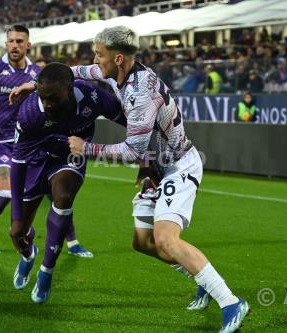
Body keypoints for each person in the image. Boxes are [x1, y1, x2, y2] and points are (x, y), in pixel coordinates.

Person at [65, 26, 249, 333]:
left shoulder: (140, 93)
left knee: (165, 239)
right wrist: (38, 83)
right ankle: (200, 276)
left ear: (119, 58)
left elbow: (130, 150)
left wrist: (87, 148)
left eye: (100, 53)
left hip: (178, 165)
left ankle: (231, 302)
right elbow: (83, 70)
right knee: (143, 242)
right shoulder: (119, 71)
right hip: (156, 166)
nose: (95, 59)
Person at [0, 25, 92, 258]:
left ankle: (73, 242)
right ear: (6, 44)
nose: (15, 45)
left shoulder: (38, 73)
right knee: (6, 193)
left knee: (57, 191)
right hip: (1, 142)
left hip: (35, 143)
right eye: (11, 41)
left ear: (28, 45)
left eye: (20, 41)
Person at [9, 63, 126, 303]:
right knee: (18, 232)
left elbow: (127, 119)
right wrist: (17, 216)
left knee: (63, 196)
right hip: (35, 161)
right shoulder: (30, 112)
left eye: (53, 98)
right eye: (43, 97)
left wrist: (150, 151)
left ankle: (46, 272)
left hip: (69, 156)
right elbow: (18, 165)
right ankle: (29, 254)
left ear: (70, 90)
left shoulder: (92, 97)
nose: (47, 103)